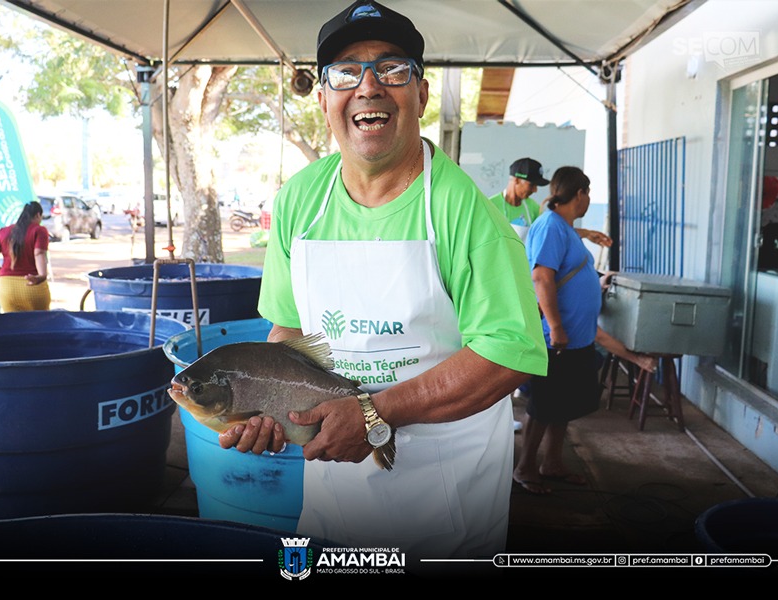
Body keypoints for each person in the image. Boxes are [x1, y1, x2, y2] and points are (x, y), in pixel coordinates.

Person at [218, 0, 547, 560]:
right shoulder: (300, 200)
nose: (369, 86)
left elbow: (510, 351)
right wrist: (275, 408)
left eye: (392, 69)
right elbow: (288, 331)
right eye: (346, 72)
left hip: (444, 500)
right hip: (332, 490)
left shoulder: (462, 208)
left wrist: (375, 412)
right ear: (323, 100)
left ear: (419, 93)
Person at [513, 166, 654, 495]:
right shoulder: (551, 226)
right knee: (544, 406)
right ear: (581, 194)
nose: (589, 200)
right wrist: (558, 327)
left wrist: (593, 270)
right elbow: (541, 278)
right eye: (588, 194)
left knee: (560, 406)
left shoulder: (561, 226)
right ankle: (525, 467)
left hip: (574, 340)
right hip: (557, 340)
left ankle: (552, 463)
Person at [0, 201, 50, 312]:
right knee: (40, 326)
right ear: (38, 215)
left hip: (7, 289)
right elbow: (39, 253)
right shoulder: (39, 230)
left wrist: (0, 271)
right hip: (32, 287)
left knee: (13, 326)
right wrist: (42, 275)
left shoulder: (2, 232)